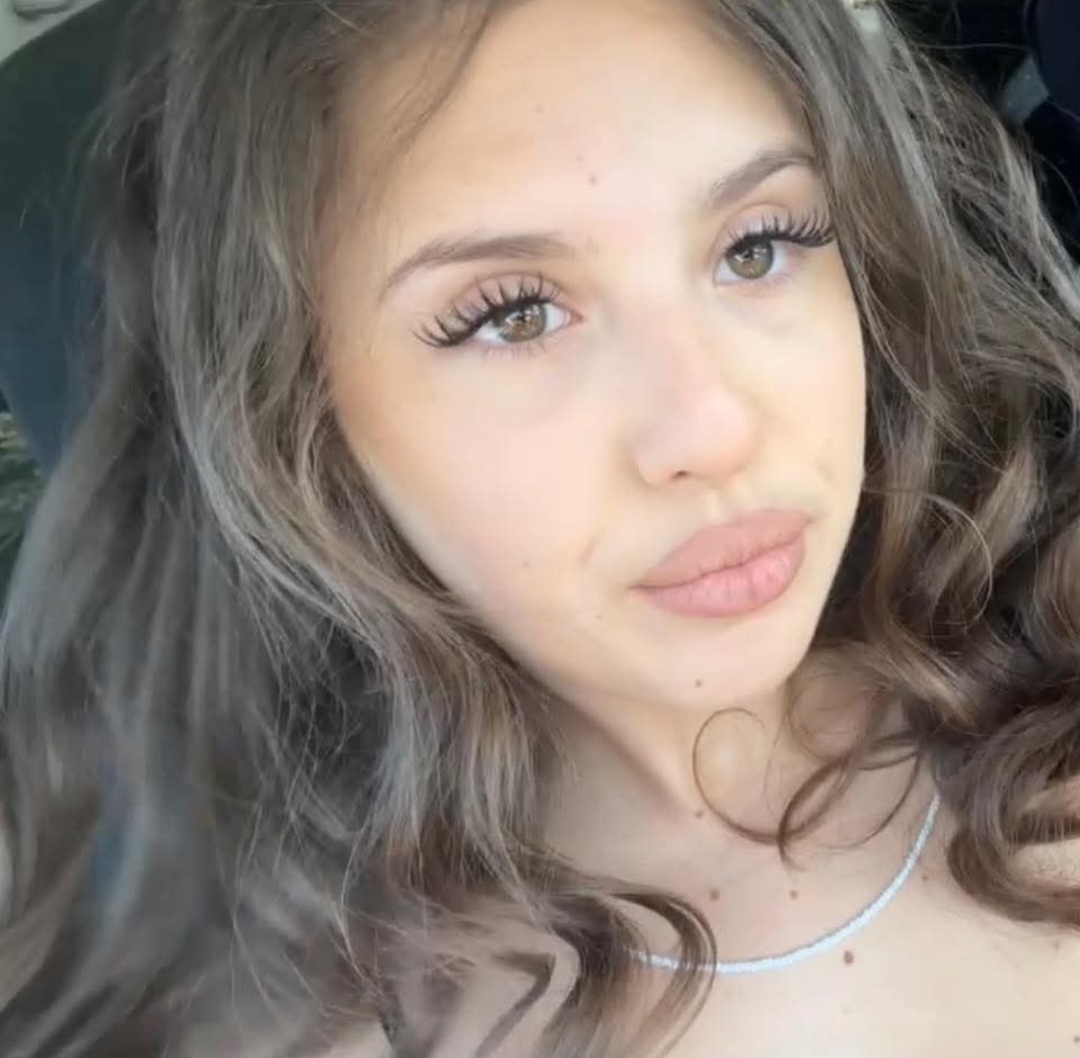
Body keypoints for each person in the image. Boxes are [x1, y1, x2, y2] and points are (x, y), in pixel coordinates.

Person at [2, 0, 1080, 1054]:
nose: (712, 428)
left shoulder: (1051, 680)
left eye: (758, 247)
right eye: (515, 315)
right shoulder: (295, 1011)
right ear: (301, 425)